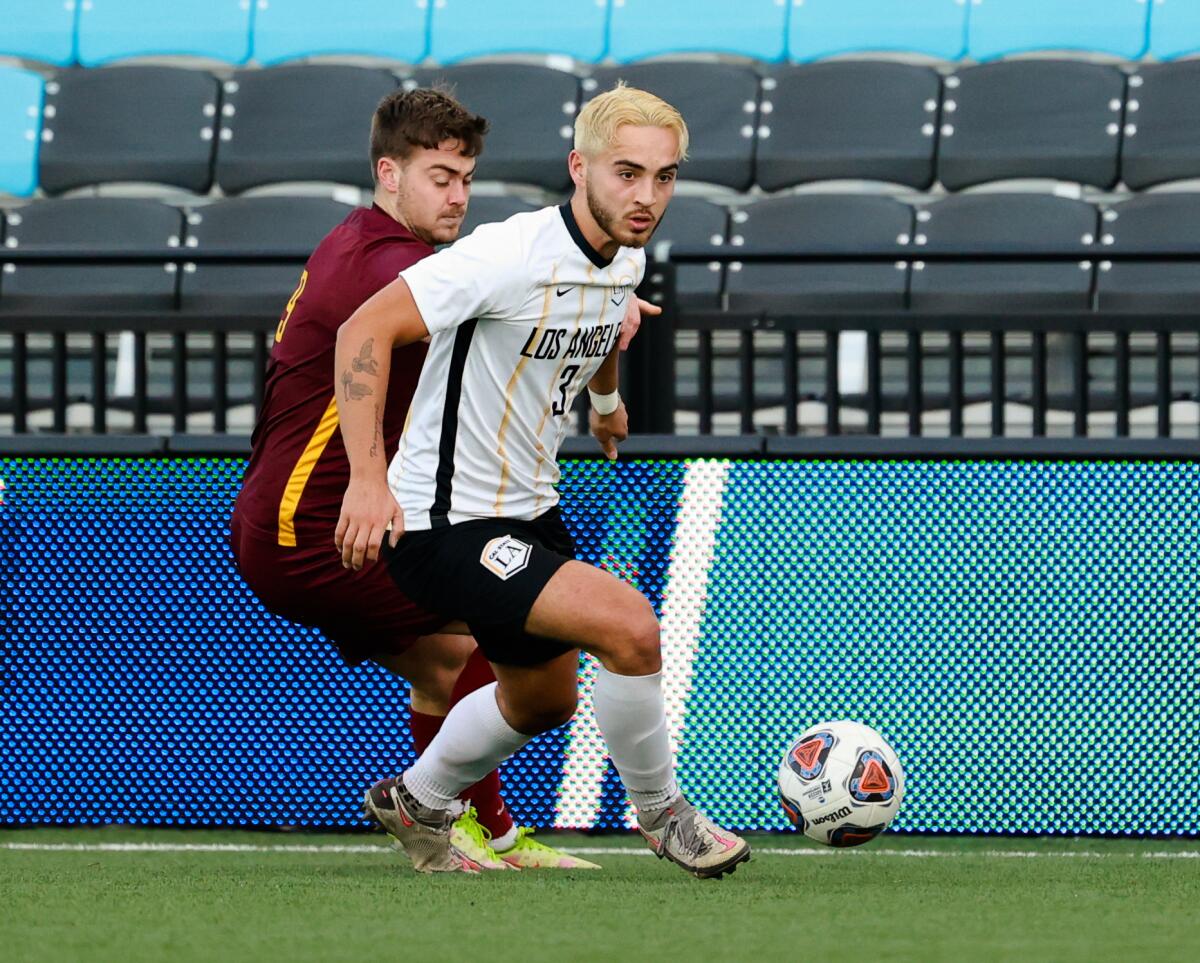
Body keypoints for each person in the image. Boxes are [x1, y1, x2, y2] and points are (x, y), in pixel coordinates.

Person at [334, 83, 751, 879]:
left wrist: (606, 401)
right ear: (579, 167)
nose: (646, 195)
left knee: (544, 700)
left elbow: (606, 314)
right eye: (627, 173)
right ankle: (662, 814)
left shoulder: (623, 252)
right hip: (443, 521)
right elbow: (365, 328)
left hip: (528, 510)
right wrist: (366, 479)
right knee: (629, 624)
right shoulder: (506, 253)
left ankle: (419, 798)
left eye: (663, 177)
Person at [230, 86, 639, 871]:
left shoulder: (373, 243)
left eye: (465, 177)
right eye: (438, 177)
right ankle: (460, 820)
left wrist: (604, 355)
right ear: (390, 172)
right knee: (504, 627)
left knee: (446, 663)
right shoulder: (394, 267)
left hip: (294, 520)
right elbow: (516, 296)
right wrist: (369, 480)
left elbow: (537, 292)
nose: (456, 195)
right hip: (311, 525)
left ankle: (473, 826)